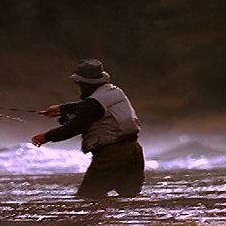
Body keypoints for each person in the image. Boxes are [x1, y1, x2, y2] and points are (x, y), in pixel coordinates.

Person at [31, 58, 145, 199]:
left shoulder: (93, 103)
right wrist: (62, 109)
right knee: (129, 199)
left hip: (111, 157)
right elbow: (88, 107)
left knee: (87, 198)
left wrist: (46, 137)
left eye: (80, 83)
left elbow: (74, 127)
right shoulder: (114, 92)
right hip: (134, 152)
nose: (79, 86)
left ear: (86, 83)